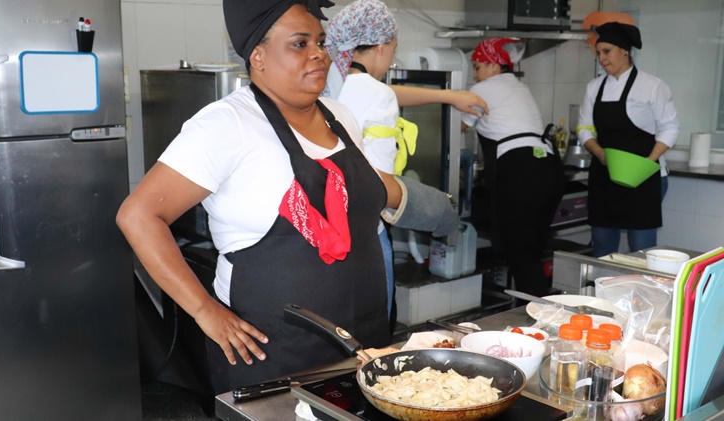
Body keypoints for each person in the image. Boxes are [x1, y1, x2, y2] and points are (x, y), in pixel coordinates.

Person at [116, 0, 458, 394]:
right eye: (299, 43)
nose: (319, 53)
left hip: (364, 336)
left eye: (322, 41)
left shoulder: (339, 116)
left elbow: (362, 195)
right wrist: (204, 311)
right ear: (257, 57)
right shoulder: (226, 125)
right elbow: (138, 216)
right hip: (273, 349)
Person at [323, 0, 489, 318]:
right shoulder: (375, 93)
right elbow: (379, 181)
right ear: (383, 45)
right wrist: (434, 207)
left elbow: (382, 92)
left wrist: (448, 96)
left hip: (326, 230)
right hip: (363, 231)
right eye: (394, 48)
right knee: (374, 323)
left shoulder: (328, 85)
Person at [461, 38, 565, 297]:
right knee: (531, 250)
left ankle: (539, 314)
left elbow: (458, 126)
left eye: (478, 67)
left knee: (519, 251)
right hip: (548, 166)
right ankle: (537, 309)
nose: (475, 74)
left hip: (521, 171)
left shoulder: (484, 89)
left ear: (494, 67)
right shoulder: (520, 87)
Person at [577, 22, 679, 257]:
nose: (601, 58)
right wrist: (599, 152)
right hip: (604, 175)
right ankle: (600, 290)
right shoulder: (594, 87)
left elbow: (671, 127)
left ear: (625, 50)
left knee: (642, 250)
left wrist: (647, 162)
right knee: (602, 246)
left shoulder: (652, 86)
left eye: (607, 51)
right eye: (598, 52)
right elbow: (584, 127)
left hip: (644, 177)